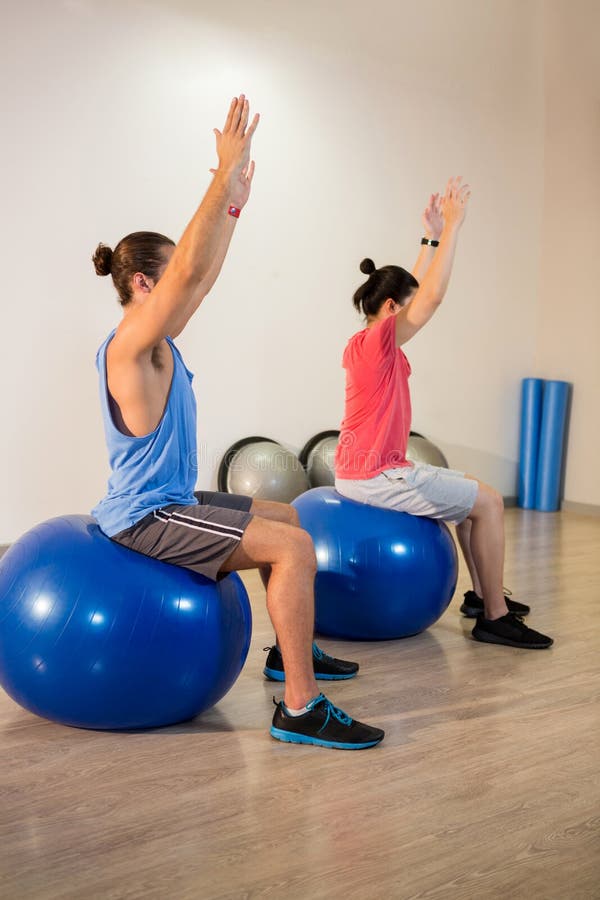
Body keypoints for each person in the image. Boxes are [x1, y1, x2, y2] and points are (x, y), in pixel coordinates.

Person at [91, 95, 384, 750]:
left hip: (169, 500)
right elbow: (191, 270)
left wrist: (234, 205)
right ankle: (301, 707)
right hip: (145, 517)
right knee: (294, 549)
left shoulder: (160, 338)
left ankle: (287, 655)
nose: (183, 293)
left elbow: (200, 276)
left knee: (286, 518)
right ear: (142, 285)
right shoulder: (131, 345)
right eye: (167, 284)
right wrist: (219, 175)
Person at [334, 178, 553, 650]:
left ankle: (482, 596)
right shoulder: (378, 345)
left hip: (368, 469)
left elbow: (413, 290)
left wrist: (429, 238)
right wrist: (454, 226)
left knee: (471, 505)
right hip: (377, 475)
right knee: (490, 502)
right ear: (390, 310)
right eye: (406, 312)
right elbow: (428, 297)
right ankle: (494, 617)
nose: (418, 320)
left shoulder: (370, 342)